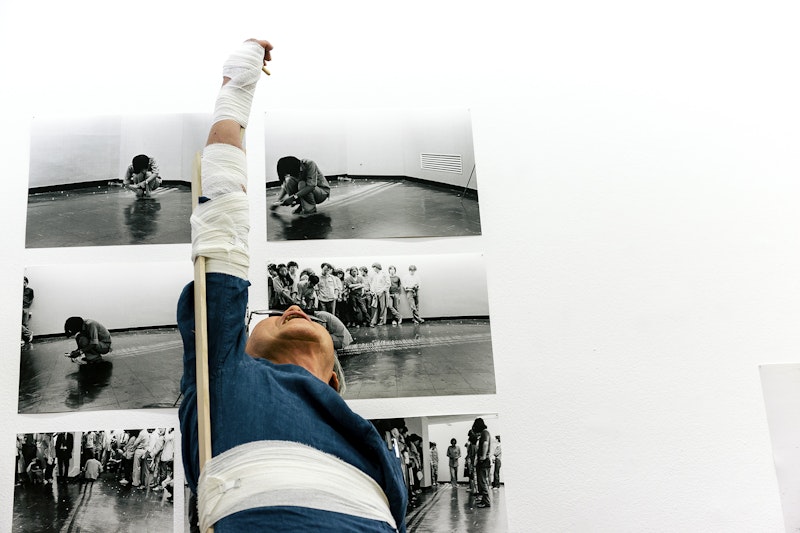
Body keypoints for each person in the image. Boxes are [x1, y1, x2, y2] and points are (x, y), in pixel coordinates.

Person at [178, 38, 406, 532]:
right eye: (275, 313)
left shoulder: (376, 452)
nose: (297, 309)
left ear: (334, 380)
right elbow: (223, 221)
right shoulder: (222, 375)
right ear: (242, 347)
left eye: (314, 317)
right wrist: (237, 88)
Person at [473, 417, 492, 508]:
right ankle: (484, 500)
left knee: (483, 481)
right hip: (484, 461)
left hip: (484, 461)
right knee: (482, 481)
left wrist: (483, 456)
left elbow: (485, 444)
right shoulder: (485, 432)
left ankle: (486, 502)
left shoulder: (485, 432)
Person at [369, 262, 391, 327]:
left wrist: (382, 290)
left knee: (382, 307)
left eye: (374, 268)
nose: (374, 269)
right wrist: (372, 291)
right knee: (375, 307)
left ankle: (382, 320)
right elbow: (373, 284)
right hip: (376, 293)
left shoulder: (384, 274)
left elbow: (388, 284)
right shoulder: (375, 275)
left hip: (382, 292)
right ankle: (374, 321)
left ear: (377, 267)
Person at [21, 276, 34, 345]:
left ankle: (25, 339)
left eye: (24, 282)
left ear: (27, 283)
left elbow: (31, 298)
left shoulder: (30, 290)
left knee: (25, 324)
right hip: (18, 308)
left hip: (25, 308)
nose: (23, 284)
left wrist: (27, 305)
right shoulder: (18, 289)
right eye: (22, 282)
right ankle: (29, 333)